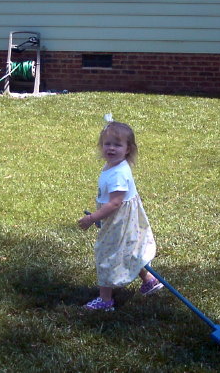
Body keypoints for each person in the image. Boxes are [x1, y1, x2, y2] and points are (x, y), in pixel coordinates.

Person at [78, 115, 163, 311]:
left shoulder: (118, 173)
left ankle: (105, 300)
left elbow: (115, 203)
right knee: (127, 249)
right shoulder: (114, 165)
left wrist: (92, 218)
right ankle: (149, 280)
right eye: (107, 144)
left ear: (128, 149)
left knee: (106, 254)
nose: (111, 148)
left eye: (117, 145)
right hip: (121, 218)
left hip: (119, 219)